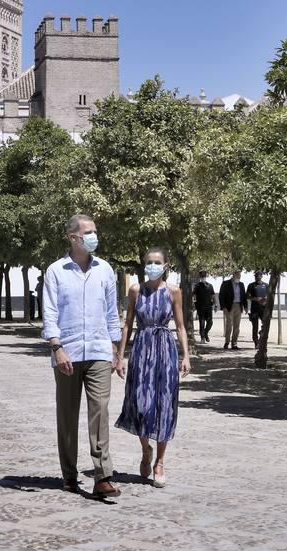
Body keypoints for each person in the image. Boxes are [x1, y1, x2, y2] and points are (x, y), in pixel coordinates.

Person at [42, 214, 122, 499]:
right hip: (67, 351)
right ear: (72, 237)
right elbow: (50, 313)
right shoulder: (56, 271)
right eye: (88, 232)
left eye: (95, 231)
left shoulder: (105, 270)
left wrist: (117, 349)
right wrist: (56, 346)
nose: (93, 236)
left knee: (100, 410)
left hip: (100, 350)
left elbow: (112, 312)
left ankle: (103, 476)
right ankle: (69, 475)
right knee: (67, 415)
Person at [115, 248, 190, 488]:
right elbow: (127, 324)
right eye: (149, 262)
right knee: (141, 405)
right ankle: (145, 451)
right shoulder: (136, 290)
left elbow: (180, 326)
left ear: (166, 266)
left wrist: (185, 355)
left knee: (164, 405)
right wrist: (120, 355)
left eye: (157, 262)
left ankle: (159, 461)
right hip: (142, 350)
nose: (153, 265)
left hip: (165, 350)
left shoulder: (173, 291)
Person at [218, 270, 247, 350]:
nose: (239, 277)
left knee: (237, 326)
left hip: (238, 306)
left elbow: (243, 296)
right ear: (233, 275)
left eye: (240, 276)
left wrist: (245, 307)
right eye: (238, 275)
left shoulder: (241, 285)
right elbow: (221, 296)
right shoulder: (226, 283)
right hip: (229, 307)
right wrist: (223, 307)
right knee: (229, 325)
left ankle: (234, 343)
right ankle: (227, 342)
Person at [246, 270, 268, 348]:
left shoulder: (266, 285)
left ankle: (261, 333)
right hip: (254, 308)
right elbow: (248, 296)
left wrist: (265, 299)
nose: (257, 278)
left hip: (263, 308)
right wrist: (255, 298)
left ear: (262, 276)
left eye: (259, 276)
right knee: (255, 326)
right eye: (256, 276)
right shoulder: (251, 285)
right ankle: (256, 342)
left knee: (265, 325)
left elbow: (270, 296)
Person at [193, 270, 216, 343]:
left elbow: (213, 296)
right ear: (200, 277)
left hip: (208, 307)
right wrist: (194, 304)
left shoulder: (210, 286)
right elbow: (194, 296)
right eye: (202, 276)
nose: (203, 278)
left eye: (204, 276)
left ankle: (205, 333)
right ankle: (202, 337)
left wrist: (215, 305)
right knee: (202, 322)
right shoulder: (197, 286)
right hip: (200, 307)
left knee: (210, 322)